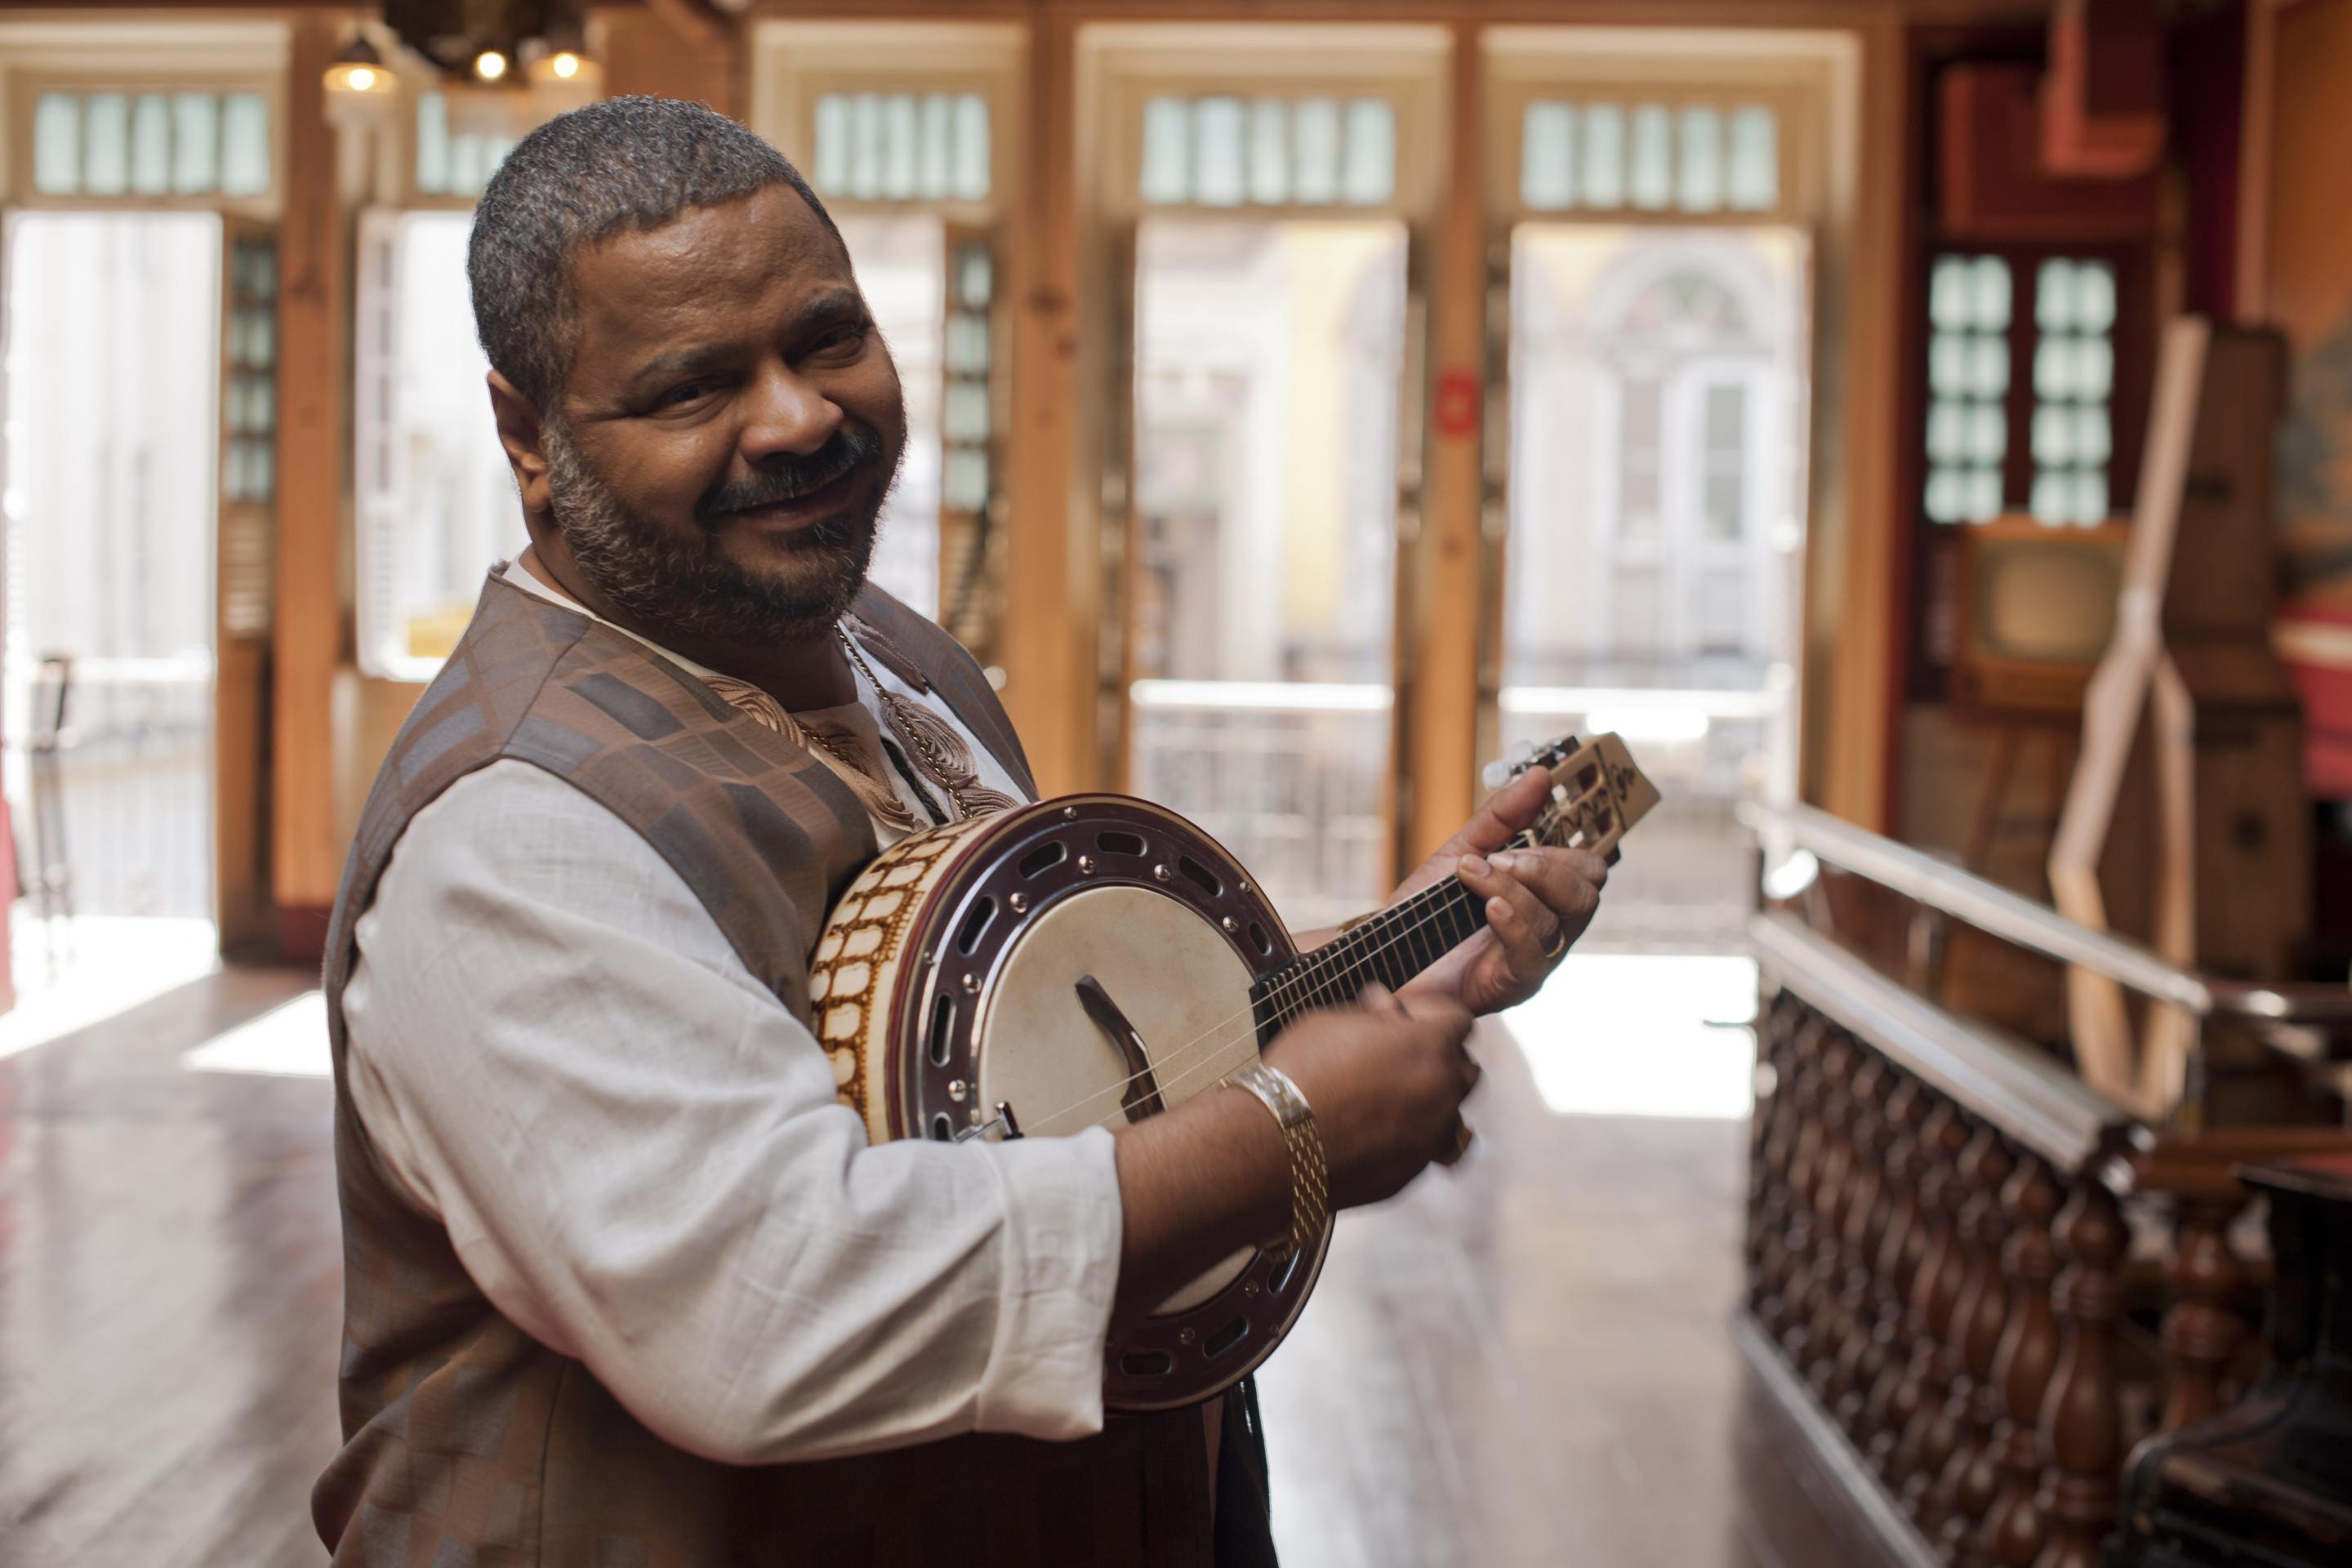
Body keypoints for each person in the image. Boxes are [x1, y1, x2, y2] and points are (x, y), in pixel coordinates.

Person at [313, 96, 1606, 1567]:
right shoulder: (511, 829)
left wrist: (1400, 952)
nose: (800, 415)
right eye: (692, 385)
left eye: (827, 338)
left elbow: (1038, 1066)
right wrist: (1287, 1138)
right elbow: (770, 1303)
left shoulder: (900, 660)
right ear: (527, 436)